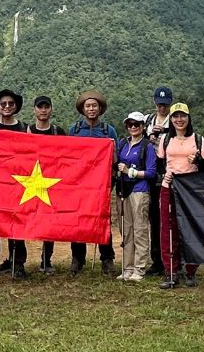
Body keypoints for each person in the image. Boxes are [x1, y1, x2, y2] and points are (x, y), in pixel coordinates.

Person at [156, 102, 204, 289]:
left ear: (188, 118)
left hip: (191, 190)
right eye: (175, 116)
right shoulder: (165, 140)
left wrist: (197, 161)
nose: (179, 120)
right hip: (169, 187)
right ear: (171, 119)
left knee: (191, 228)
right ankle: (171, 271)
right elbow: (159, 165)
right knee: (168, 230)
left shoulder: (198, 139)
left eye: (183, 116)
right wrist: (165, 175)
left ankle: (190, 271)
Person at [67, 90, 119, 276]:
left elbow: (114, 158)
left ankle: (107, 259)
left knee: (102, 219)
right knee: (78, 220)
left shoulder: (108, 130)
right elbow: (68, 156)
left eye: (94, 106)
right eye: (88, 106)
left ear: (100, 109)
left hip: (101, 184)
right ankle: (77, 258)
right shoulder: (74, 130)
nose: (91, 109)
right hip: (79, 183)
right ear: (82, 109)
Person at [0, 89, 29, 280]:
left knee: (16, 224)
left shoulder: (24, 128)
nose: (7, 107)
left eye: (10, 103)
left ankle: (17, 263)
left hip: (17, 185)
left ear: (16, 106)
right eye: (3, 104)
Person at [26, 95, 67, 275]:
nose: (43, 110)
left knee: (50, 222)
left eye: (46, 107)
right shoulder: (25, 132)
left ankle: (46, 259)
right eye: (40, 107)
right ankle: (17, 261)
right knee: (21, 217)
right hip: (26, 181)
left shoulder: (59, 132)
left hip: (51, 183)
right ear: (34, 110)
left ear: (51, 109)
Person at [115, 111, 157, 282]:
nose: (133, 127)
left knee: (140, 229)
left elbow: (152, 172)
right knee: (126, 230)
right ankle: (127, 267)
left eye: (137, 124)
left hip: (140, 190)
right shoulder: (123, 143)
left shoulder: (147, 147)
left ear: (143, 127)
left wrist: (129, 172)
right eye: (130, 124)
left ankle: (139, 269)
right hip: (123, 190)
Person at [144, 86, 173, 276]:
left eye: (165, 104)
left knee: (171, 219)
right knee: (154, 218)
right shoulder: (147, 120)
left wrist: (165, 133)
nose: (162, 107)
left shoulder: (176, 119)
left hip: (170, 172)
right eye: (159, 104)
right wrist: (150, 135)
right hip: (151, 173)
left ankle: (172, 258)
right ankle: (156, 259)